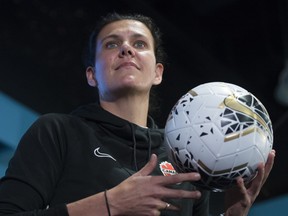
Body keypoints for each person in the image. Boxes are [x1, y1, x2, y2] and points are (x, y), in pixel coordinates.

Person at [0, 12, 275, 216]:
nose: (126, 49)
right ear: (92, 75)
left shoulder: (185, 158)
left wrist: (233, 215)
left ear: (158, 72)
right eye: (111, 44)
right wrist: (110, 203)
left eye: (140, 44)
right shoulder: (58, 131)